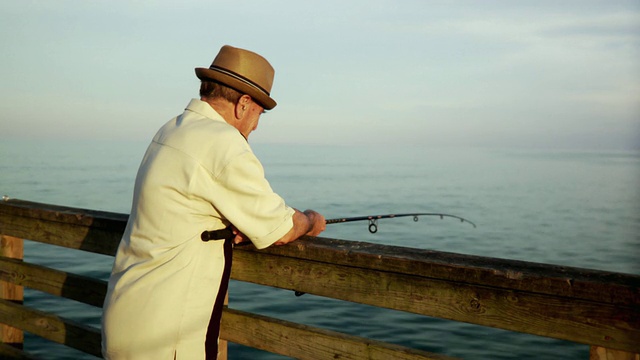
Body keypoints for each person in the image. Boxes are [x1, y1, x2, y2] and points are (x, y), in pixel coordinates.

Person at [101, 45, 326, 359]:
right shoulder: (223, 142)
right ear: (243, 104)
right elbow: (280, 227)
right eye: (259, 114)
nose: (256, 126)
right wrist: (312, 219)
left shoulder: (171, 130)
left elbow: (189, 206)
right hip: (166, 340)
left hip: (126, 316)